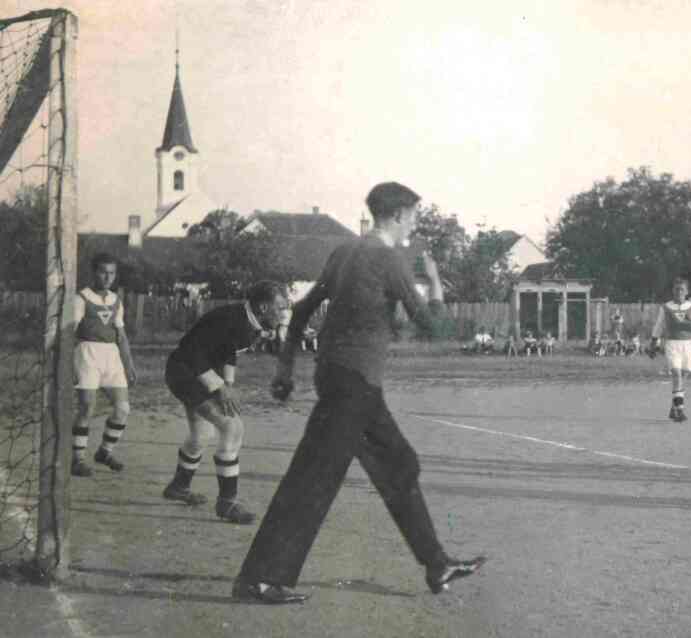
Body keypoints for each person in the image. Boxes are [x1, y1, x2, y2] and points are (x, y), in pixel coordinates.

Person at [234, 182, 485, 605]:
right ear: (399, 215)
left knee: (400, 464)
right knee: (314, 477)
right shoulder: (389, 259)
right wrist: (437, 283)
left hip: (343, 380)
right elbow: (435, 328)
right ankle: (260, 579)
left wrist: (285, 367)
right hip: (354, 385)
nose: (415, 224)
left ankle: (436, 562)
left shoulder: (345, 252)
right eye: (414, 217)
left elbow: (300, 309)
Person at [161, 281, 289, 525]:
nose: (283, 313)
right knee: (232, 427)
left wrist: (227, 384)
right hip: (186, 373)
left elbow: (228, 351)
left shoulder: (247, 319)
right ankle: (227, 503)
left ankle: (179, 487)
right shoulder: (233, 319)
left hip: (191, 372)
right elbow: (192, 352)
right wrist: (219, 387)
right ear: (263, 307)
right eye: (280, 307)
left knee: (202, 434)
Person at [70, 252, 137, 477]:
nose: (107, 277)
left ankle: (104, 452)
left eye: (112, 273)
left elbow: (122, 335)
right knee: (87, 407)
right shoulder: (82, 298)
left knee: (122, 408)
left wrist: (129, 364)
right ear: (94, 273)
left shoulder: (116, 300)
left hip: (112, 355)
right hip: (87, 351)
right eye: (103, 272)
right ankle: (78, 459)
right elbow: (70, 330)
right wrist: (66, 362)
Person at [649, 277, 691, 422]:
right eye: (676, 289)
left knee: (683, 375)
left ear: (687, 291)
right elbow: (659, 325)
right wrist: (653, 343)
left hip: (688, 345)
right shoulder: (666, 307)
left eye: (682, 289)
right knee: (676, 373)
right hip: (672, 344)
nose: (679, 292)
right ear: (672, 291)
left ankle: (673, 407)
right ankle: (680, 410)